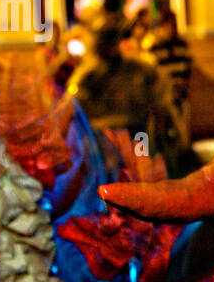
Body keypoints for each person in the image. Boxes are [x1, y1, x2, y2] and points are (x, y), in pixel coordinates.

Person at [67, 13, 186, 169]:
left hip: (136, 133)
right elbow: (72, 110)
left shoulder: (140, 70)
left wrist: (171, 135)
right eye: (105, 39)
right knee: (112, 178)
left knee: (141, 171)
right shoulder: (86, 77)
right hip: (102, 141)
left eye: (110, 39)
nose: (108, 45)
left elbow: (162, 106)